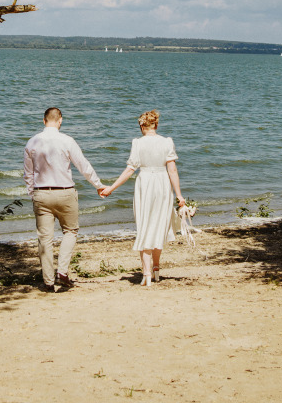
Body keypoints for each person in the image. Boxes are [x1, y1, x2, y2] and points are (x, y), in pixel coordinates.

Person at [24, 106, 106, 292]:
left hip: (41, 193)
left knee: (44, 239)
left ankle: (48, 282)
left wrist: (33, 195)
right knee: (70, 231)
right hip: (65, 193)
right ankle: (62, 271)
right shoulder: (67, 141)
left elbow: (28, 175)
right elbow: (83, 166)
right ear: (60, 121)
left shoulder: (31, 142)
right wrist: (98, 185)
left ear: (43, 121)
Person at [101, 109, 185, 286]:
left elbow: (130, 170)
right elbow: (173, 170)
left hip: (145, 184)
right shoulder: (167, 142)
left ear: (141, 126)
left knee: (145, 226)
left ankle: (146, 273)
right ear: (156, 124)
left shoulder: (137, 143)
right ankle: (156, 268)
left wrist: (111, 188)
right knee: (158, 226)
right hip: (162, 184)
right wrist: (179, 196)